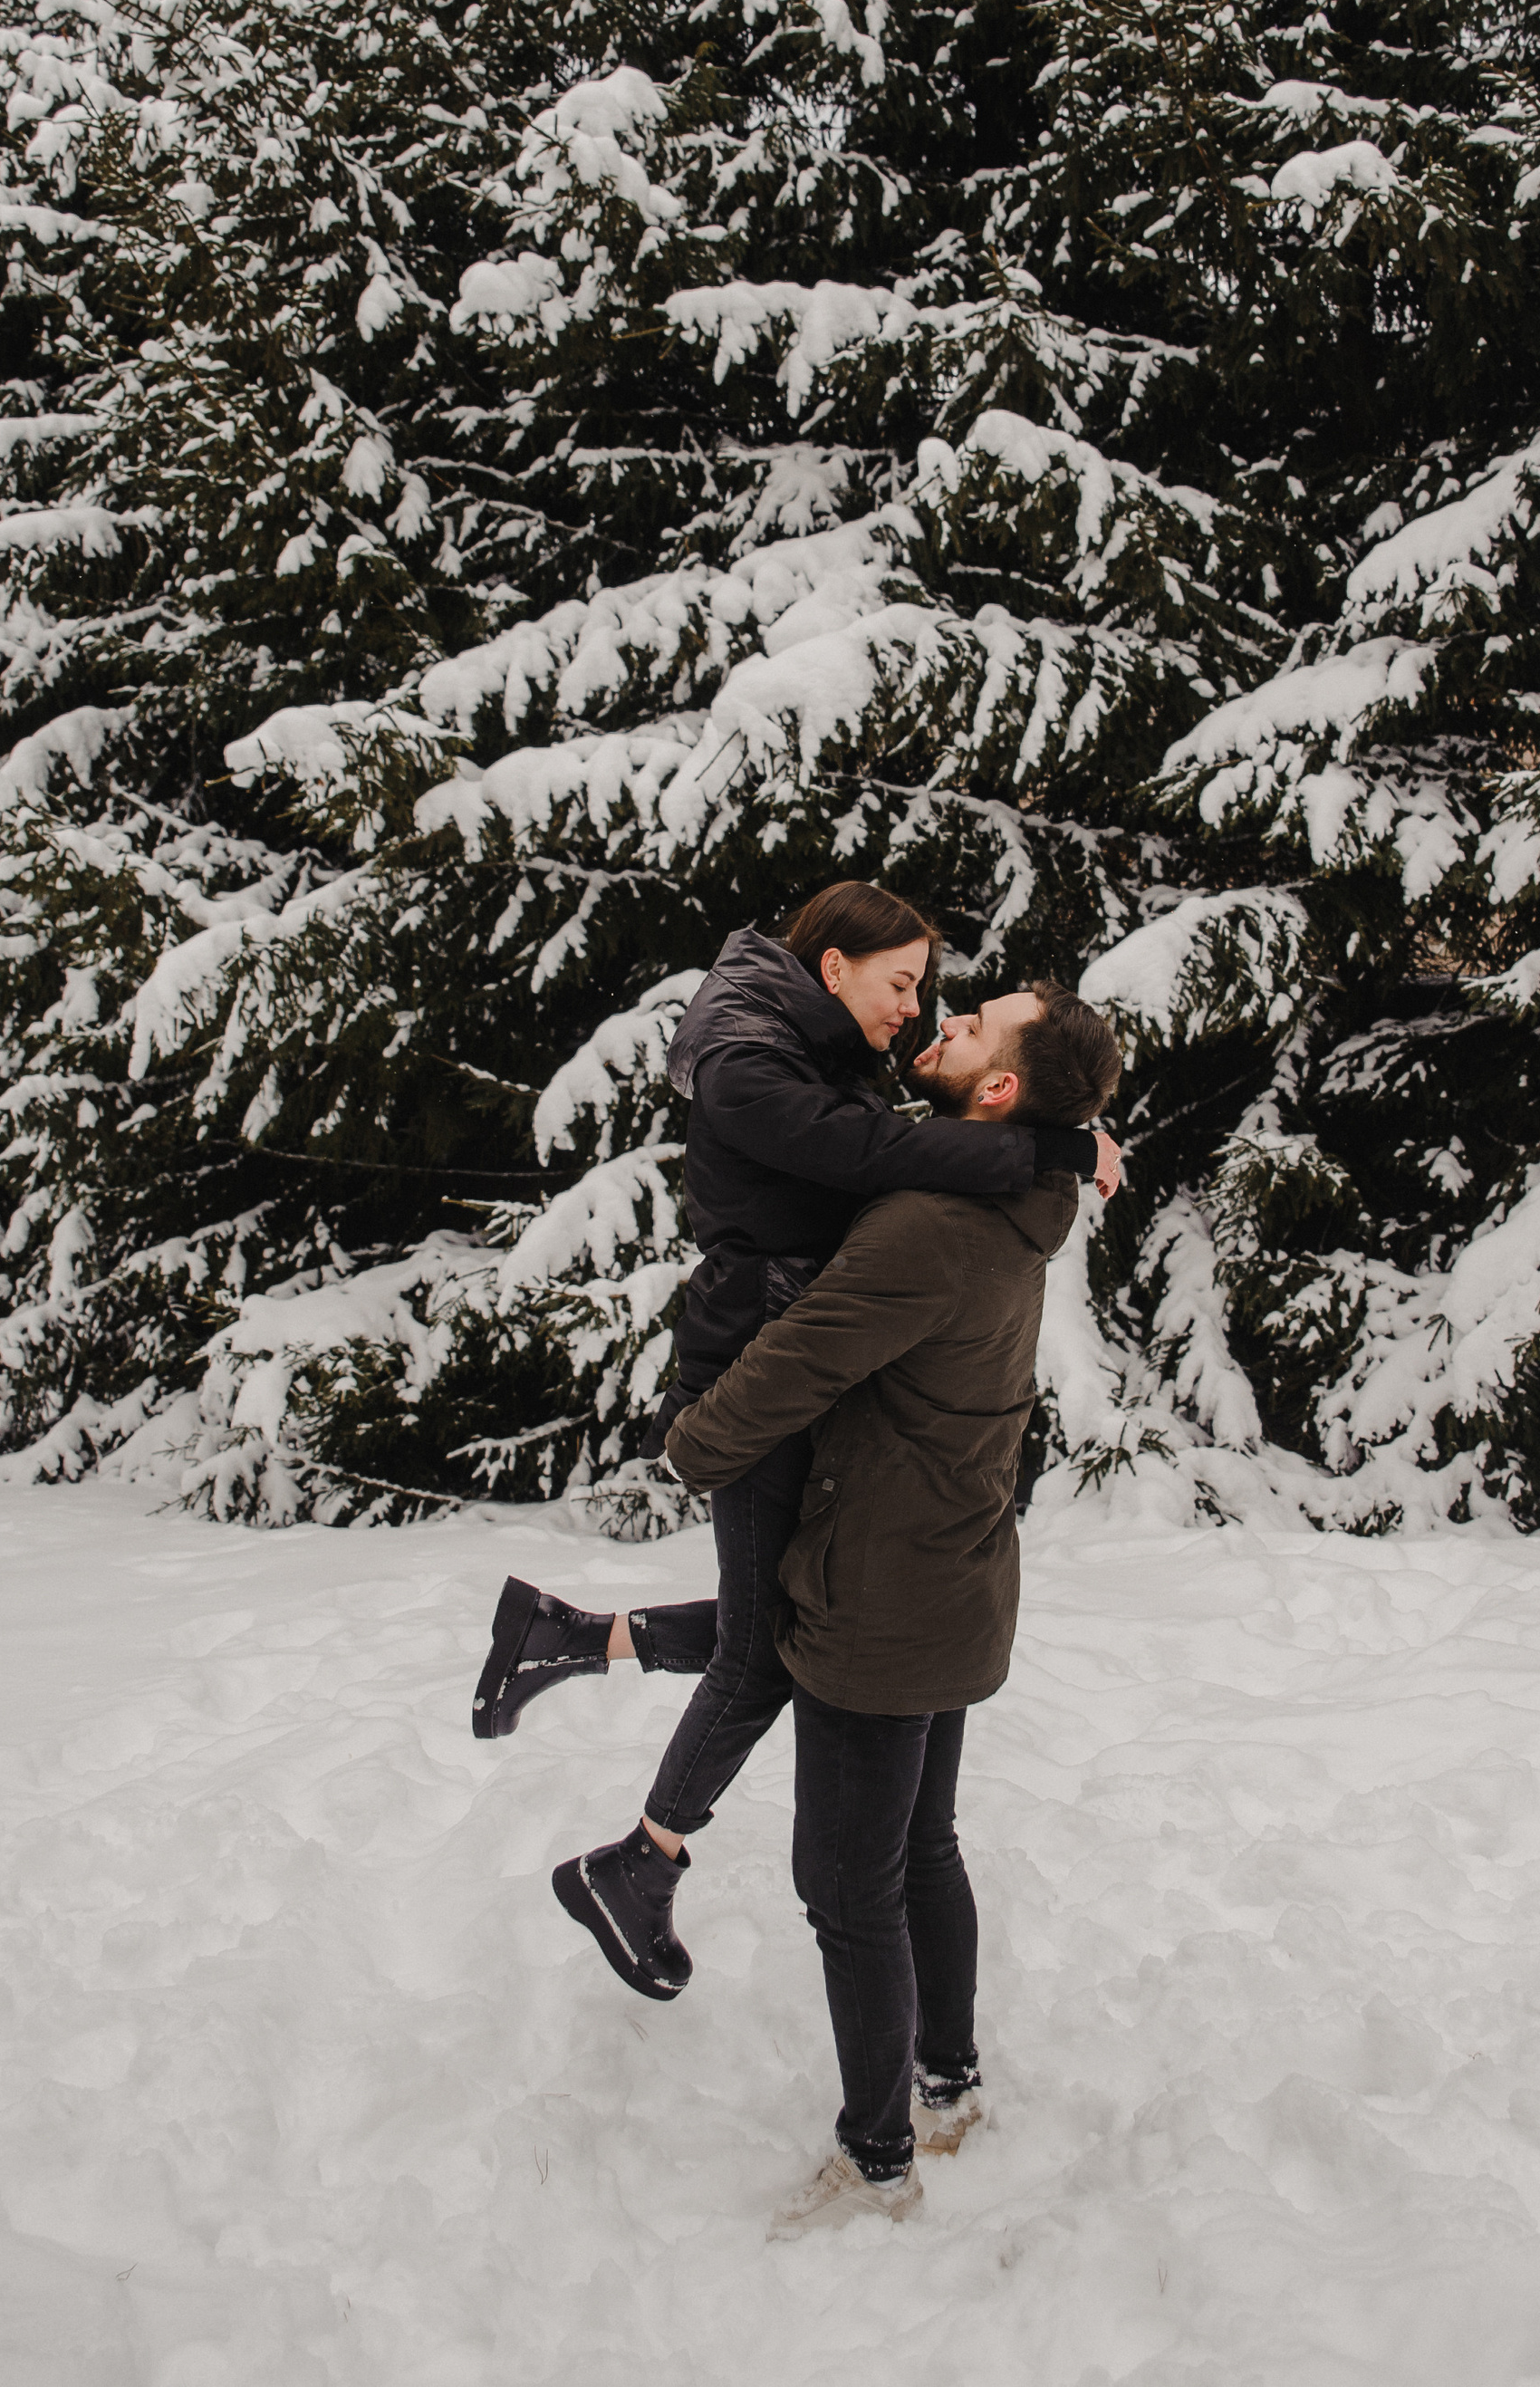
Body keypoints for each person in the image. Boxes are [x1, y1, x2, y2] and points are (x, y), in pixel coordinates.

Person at [468, 884, 1121, 2006]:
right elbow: (870, 1155)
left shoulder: (808, 1033)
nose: (919, 1012)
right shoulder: (748, 1058)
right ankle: (638, 1857)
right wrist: (1042, 1149)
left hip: (785, 1353)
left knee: (802, 1617)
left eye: (931, 993)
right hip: (752, 1367)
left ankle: (572, 1651)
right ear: (833, 969)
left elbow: (900, 1146)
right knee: (771, 1643)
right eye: (904, 986)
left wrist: (1040, 1134)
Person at [663, 978, 1123, 2236]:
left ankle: (879, 2163)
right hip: (951, 1574)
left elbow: (801, 1358)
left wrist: (692, 1448)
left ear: (997, 1094)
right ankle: (951, 2084)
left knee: (846, 1885)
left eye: (973, 1026)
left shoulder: (931, 1222)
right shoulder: (1022, 1192)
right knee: (920, 1849)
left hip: (880, 1594)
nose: (947, 1018)